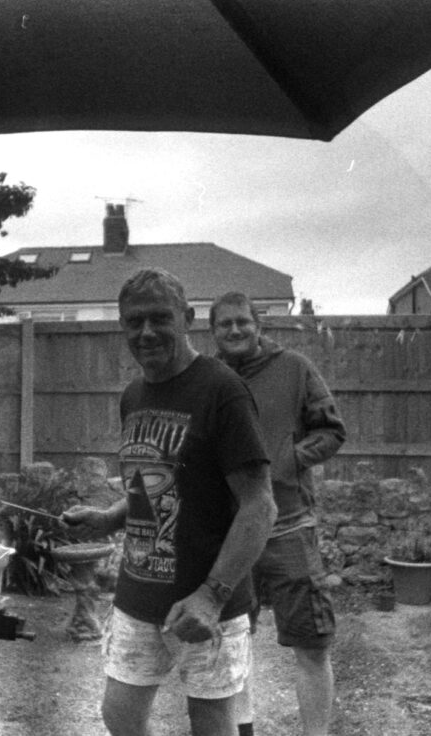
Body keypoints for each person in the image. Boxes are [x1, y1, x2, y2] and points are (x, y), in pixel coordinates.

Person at [61, 268, 277, 736]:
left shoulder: (223, 392)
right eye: (133, 322)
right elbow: (154, 488)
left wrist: (210, 596)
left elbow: (260, 507)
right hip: (138, 594)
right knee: (119, 716)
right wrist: (107, 519)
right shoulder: (134, 395)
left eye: (159, 318)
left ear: (188, 318)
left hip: (208, 603)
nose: (146, 332)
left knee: (213, 724)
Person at [209, 291, 347, 736]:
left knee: (312, 643)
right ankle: (242, 728)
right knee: (230, 644)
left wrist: (286, 460)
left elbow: (331, 431)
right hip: (231, 534)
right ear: (212, 331)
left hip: (289, 525)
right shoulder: (206, 380)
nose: (235, 330)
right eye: (225, 324)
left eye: (242, 322)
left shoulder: (295, 368)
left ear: (258, 325)